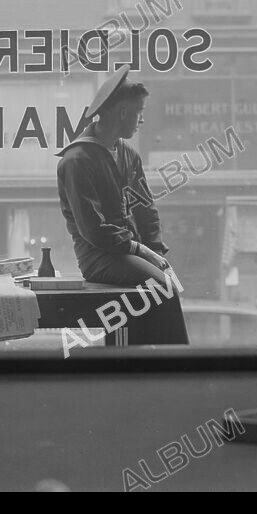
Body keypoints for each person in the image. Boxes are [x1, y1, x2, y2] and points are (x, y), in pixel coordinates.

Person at [56, 67, 188, 344]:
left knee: (162, 285)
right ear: (123, 113)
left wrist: (155, 251)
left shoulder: (128, 155)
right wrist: (142, 251)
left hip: (130, 253)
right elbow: (93, 230)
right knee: (164, 288)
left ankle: (147, 364)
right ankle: (179, 366)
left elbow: (146, 210)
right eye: (139, 112)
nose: (142, 120)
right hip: (98, 257)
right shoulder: (77, 160)